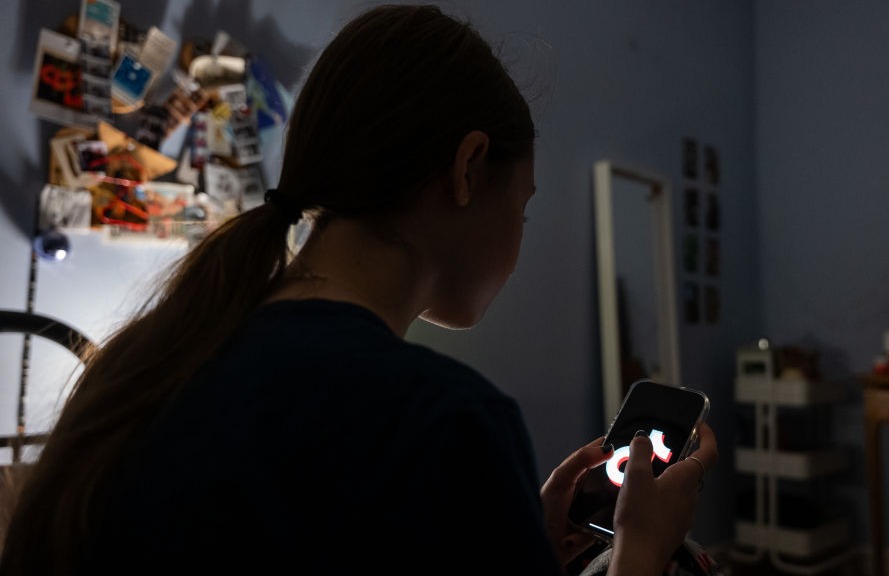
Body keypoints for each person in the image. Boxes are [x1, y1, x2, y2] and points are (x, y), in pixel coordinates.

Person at [0, 4, 718, 575]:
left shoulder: (150, 363)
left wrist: (503, 535)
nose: (522, 237)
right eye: (522, 206)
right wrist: (642, 552)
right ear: (467, 169)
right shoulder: (445, 419)